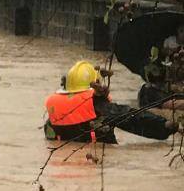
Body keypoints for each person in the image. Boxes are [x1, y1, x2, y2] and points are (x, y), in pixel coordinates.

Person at [44, 60, 178, 144]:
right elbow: (133, 117)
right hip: (97, 160)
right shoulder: (100, 107)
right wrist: (164, 126)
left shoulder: (54, 113)